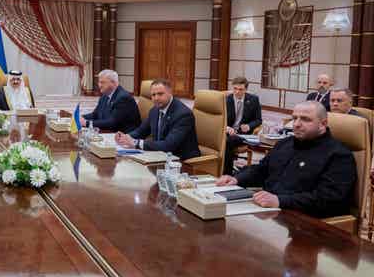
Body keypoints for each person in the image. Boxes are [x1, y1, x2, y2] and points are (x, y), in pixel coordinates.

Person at [216, 101, 356, 218]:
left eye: (305, 119)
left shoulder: (338, 155)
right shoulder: (286, 143)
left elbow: (328, 199)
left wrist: (280, 200)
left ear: (323, 124)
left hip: (305, 221)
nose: (296, 124)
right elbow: (261, 170)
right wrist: (237, 179)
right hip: (269, 213)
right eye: (294, 118)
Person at [115, 78, 200, 160]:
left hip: (182, 162)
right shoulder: (155, 110)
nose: (156, 98)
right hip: (159, 156)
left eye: (160, 94)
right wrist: (125, 137)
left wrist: (136, 143)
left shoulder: (183, 114)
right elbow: (141, 131)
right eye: (153, 95)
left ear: (170, 93)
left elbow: (168, 145)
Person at [223, 76, 263, 175]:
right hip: (228, 131)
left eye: (240, 89)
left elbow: (258, 120)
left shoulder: (253, 100)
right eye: (235, 89)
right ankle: (221, 168)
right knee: (223, 139)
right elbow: (220, 119)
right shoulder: (226, 100)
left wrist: (249, 126)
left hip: (243, 134)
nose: (237, 92)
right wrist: (226, 127)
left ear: (246, 89)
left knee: (229, 141)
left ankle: (227, 173)